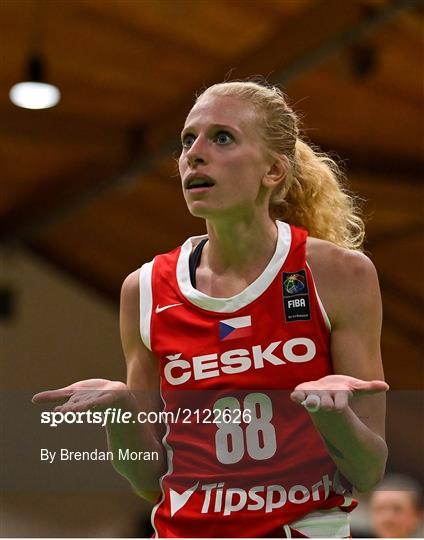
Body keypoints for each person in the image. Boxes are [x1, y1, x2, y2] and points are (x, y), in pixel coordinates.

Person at [33, 79, 389, 538]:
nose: (194, 154)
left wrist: (333, 415)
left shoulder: (340, 275)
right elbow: (148, 483)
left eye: (222, 137)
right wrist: (121, 415)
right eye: (187, 140)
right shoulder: (143, 289)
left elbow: (368, 471)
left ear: (274, 171)